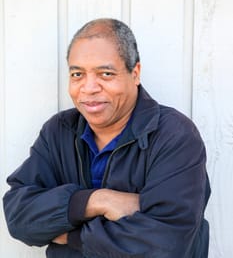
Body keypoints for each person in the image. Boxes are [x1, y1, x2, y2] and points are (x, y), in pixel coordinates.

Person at [3, 18, 210, 258]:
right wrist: (95, 200)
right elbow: (19, 217)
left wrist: (71, 235)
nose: (89, 88)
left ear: (135, 73)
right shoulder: (58, 131)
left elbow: (164, 244)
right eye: (78, 74)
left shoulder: (174, 136)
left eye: (106, 73)